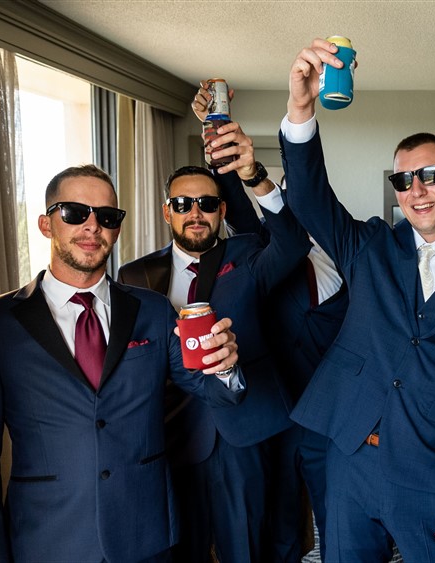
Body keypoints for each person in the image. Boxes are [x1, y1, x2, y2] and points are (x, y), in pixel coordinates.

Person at [277, 38, 435, 563]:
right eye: (403, 179)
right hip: (351, 465)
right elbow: (307, 197)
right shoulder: (369, 247)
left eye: (431, 174)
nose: (417, 189)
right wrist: (301, 107)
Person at [0, 164, 243, 563]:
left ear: (116, 228)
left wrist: (225, 368)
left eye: (106, 216)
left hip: (147, 537)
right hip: (47, 541)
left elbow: (211, 390)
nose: (92, 226)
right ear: (45, 224)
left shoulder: (154, 311)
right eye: (75, 212)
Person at [118, 135, 311, 563]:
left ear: (222, 210)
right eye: (183, 204)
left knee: (244, 546)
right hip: (168, 434)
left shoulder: (246, 253)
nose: (195, 213)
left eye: (207, 204)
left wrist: (254, 177)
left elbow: (294, 244)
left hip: (240, 433)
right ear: (166, 211)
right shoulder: (134, 275)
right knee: (177, 544)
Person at [192, 83, 349, 561]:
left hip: (332, 421)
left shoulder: (350, 251)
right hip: (276, 418)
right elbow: (236, 204)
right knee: (282, 532)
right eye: (287, 192)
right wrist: (216, 135)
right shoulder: (265, 248)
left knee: (339, 528)